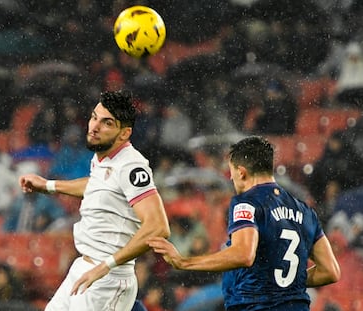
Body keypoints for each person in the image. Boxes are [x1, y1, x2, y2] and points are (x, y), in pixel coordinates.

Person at [148, 136, 341, 311]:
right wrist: (284, 283)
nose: (230, 178)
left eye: (231, 172)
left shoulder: (247, 202)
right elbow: (330, 271)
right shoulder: (305, 211)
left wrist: (184, 262)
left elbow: (243, 254)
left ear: (241, 172)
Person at [18, 90, 170, 311]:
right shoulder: (103, 156)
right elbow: (97, 185)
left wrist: (106, 266)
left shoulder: (132, 167)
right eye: (94, 117)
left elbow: (158, 227)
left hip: (108, 279)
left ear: (124, 133)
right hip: (83, 267)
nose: (95, 126)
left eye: (107, 123)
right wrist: (49, 185)